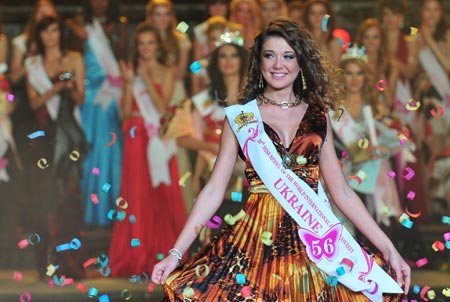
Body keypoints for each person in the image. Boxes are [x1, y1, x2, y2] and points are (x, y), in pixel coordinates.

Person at [152, 18, 410, 301]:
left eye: (288, 56)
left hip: (314, 239)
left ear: (300, 63)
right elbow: (213, 190)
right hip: (255, 240)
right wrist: (176, 254)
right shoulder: (241, 117)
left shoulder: (317, 117)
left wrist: (388, 249)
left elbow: (343, 192)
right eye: (270, 55)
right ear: (259, 62)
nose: (279, 65)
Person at [108, 21, 186, 277]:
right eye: (141, 44)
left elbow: (163, 107)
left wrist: (145, 77)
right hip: (135, 136)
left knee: (159, 196)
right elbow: (125, 111)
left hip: (157, 138)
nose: (145, 48)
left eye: (150, 43)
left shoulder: (167, 69)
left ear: (158, 46)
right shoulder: (132, 71)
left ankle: (160, 255)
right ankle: (136, 254)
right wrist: (131, 82)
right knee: (136, 196)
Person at [24, 15, 87, 279]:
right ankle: (48, 263)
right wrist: (56, 88)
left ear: (61, 33)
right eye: (45, 32)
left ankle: (69, 261)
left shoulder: (74, 59)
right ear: (39, 36)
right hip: (43, 138)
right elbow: (35, 104)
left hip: (68, 135)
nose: (50, 36)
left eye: (54, 31)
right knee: (44, 199)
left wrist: (69, 88)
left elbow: (80, 98)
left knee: (68, 199)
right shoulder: (33, 63)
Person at [331, 47, 404, 237]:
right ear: (342, 76)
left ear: (366, 76)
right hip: (343, 172)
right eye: (349, 73)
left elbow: (397, 142)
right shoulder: (333, 107)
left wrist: (382, 150)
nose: (354, 79)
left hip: (373, 173)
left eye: (359, 73)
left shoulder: (376, 104)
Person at [66, 0, 127, 227]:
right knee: (88, 151)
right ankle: (86, 212)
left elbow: (121, 56)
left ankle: (110, 211)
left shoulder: (118, 25)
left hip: (110, 96)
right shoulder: (77, 24)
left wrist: (110, 37)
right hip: (89, 97)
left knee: (110, 150)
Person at [413, 0, 450, 217]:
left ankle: (444, 200)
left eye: (436, 9)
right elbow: (411, 72)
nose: (432, 14)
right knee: (430, 149)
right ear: (421, 12)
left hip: (446, 97)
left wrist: (430, 43)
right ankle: (430, 204)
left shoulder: (445, 36)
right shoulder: (414, 39)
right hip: (427, 102)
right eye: (428, 9)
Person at [355, 18, 396, 109]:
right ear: (361, 39)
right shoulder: (355, 64)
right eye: (366, 37)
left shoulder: (391, 64)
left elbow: (389, 102)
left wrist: (381, 73)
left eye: (375, 37)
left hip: (383, 115)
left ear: (382, 39)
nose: (371, 42)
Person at [303, 0, 342, 67]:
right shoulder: (301, 38)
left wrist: (323, 43)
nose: (317, 17)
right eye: (312, 13)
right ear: (307, 15)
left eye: (321, 13)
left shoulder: (335, 41)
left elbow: (335, 69)